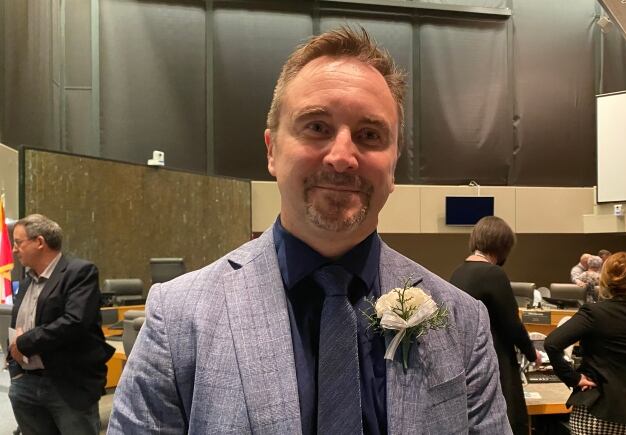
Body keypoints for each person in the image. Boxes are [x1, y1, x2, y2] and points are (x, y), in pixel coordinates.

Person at [109, 27, 510, 434]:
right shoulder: (178, 319)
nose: (342, 157)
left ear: (393, 165)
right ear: (271, 150)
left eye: (369, 135)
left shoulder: (463, 322)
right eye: (316, 127)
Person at [6, 214, 115, 435]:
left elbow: (73, 322)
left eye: (18, 243)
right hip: (25, 383)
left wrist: (24, 344)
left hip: (66, 385)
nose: (14, 250)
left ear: (39, 242)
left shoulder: (79, 272)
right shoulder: (27, 280)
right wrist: (15, 369)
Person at [544, 252, 626, 435]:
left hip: (596, 410)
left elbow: (552, 344)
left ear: (605, 279)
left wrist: (573, 378)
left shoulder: (593, 313)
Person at [449, 216, 540, 434]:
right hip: (494, 356)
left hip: (466, 358)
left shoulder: (458, 272)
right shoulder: (493, 274)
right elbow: (512, 324)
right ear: (503, 245)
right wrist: (531, 353)